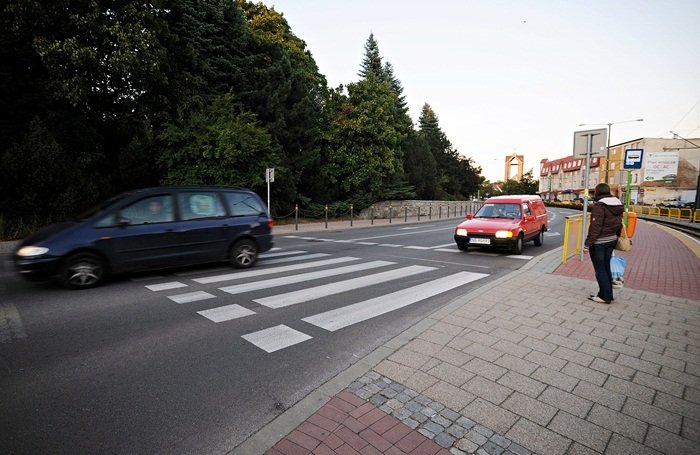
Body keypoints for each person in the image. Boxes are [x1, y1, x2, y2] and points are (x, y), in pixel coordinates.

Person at [584, 183, 624, 304]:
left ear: (597, 192)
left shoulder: (599, 206)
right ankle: (606, 294)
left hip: (599, 243)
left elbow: (595, 227)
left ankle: (605, 297)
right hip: (611, 240)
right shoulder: (617, 204)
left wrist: (587, 244)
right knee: (606, 267)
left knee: (600, 269)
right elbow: (619, 224)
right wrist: (616, 236)